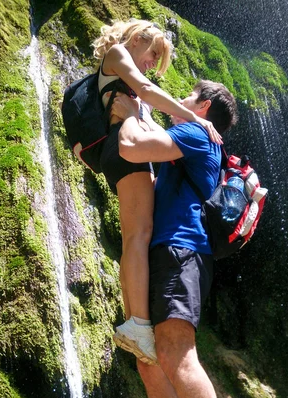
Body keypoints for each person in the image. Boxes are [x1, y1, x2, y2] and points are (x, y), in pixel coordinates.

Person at [111, 80, 244, 398]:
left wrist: (128, 110)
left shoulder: (194, 130)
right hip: (159, 251)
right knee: (149, 357)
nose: (178, 100)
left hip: (183, 248)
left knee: (175, 350)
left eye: (185, 96)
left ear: (203, 106)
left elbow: (131, 147)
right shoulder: (185, 137)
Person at [91, 19, 221, 366]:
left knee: (137, 235)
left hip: (120, 151)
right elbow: (147, 91)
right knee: (138, 235)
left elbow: (143, 108)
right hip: (123, 151)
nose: (151, 65)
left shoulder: (122, 74)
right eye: (152, 55)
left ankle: (136, 321)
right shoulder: (119, 54)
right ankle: (138, 323)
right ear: (135, 40)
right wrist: (195, 120)